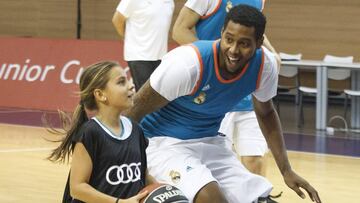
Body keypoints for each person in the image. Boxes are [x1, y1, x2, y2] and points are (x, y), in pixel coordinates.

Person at [125, 5, 321, 203]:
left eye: (244, 44)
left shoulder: (265, 65)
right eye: (229, 39)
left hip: (210, 142)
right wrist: (121, 160)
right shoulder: (189, 63)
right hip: (162, 143)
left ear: (259, 42)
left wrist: (286, 170)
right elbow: (134, 108)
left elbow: (266, 113)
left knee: (261, 200)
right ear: (222, 33)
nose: (234, 50)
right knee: (212, 198)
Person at [172, 0, 280, 176]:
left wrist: (272, 52)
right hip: (215, 95)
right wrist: (211, 60)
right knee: (218, 166)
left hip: (247, 91)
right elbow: (179, 30)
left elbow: (254, 29)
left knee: (255, 158)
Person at [47, 61, 154, 203]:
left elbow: (144, 175)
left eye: (128, 79)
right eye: (122, 82)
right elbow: (77, 188)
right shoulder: (90, 132)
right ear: (100, 94)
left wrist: (164, 190)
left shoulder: (136, 130)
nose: (131, 85)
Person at [112, 0, 175, 91]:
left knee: (158, 96)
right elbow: (117, 20)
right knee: (145, 97)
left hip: (161, 56)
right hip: (139, 55)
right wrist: (127, 38)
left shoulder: (169, 2)